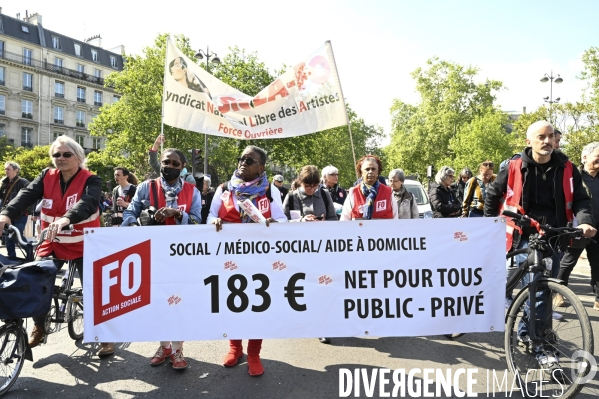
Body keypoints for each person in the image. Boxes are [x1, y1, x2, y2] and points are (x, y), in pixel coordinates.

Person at [485, 120, 596, 370]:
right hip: (523, 233)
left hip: (554, 235)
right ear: (529, 141)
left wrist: (585, 222)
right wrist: (489, 225)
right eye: (541, 137)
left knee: (542, 289)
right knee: (536, 288)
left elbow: (581, 199)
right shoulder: (514, 166)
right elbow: (493, 194)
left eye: (550, 137)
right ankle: (536, 340)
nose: (547, 141)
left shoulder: (567, 168)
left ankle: (526, 331)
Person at [0, 136, 110, 355]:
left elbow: (87, 203)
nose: (60, 158)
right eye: (56, 155)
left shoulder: (92, 180)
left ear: (78, 157)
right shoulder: (46, 176)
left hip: (84, 244)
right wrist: (6, 215)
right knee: (34, 282)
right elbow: (26, 195)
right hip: (52, 244)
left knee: (95, 289)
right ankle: (39, 327)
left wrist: (65, 219)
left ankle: (105, 335)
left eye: (66, 154)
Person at [207, 145, 287, 377]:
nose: (243, 162)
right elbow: (211, 215)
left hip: (259, 259)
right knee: (231, 303)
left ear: (261, 167)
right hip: (228, 258)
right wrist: (213, 222)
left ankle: (253, 353)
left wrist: (273, 223)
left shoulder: (270, 191)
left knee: (256, 306)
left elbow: (281, 220)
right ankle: (235, 348)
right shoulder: (224, 188)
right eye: (241, 158)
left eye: (249, 160)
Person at [122, 147, 202, 370]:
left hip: (180, 258)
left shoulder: (192, 191)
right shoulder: (146, 187)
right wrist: (130, 226)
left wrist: (177, 213)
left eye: (175, 164)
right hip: (151, 255)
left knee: (177, 303)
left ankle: (177, 350)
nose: (169, 167)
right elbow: (130, 212)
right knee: (157, 301)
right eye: (166, 162)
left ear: (183, 167)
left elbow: (198, 223)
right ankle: (164, 345)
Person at [557, 142, 599, 311]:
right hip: (578, 228)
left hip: (597, 228)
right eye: (597, 156)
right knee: (568, 262)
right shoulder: (574, 176)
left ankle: (598, 298)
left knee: (597, 263)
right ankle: (558, 292)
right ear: (585, 157)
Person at [340, 155, 397, 221]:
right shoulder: (353, 193)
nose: (370, 172)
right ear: (361, 173)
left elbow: (395, 220)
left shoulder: (388, 192)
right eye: (367, 169)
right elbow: (344, 221)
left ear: (378, 172)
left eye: (373, 169)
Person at [0, 162, 30, 259]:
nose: (6, 171)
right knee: (8, 235)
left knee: (17, 235)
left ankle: (30, 254)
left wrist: (26, 211)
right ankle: (11, 258)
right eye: (5, 169)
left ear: (16, 170)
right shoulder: (4, 183)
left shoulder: (23, 182)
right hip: (8, 214)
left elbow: (30, 198)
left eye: (8, 169)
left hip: (20, 214)